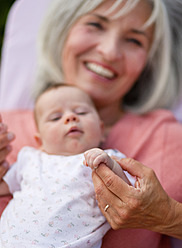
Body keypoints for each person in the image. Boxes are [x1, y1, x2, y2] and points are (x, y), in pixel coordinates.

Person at [0, 0, 182, 247]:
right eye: (96, 24)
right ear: (63, 29)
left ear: (149, 62)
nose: (109, 52)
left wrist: (169, 217)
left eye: (134, 40)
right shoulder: (6, 129)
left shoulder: (169, 139)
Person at [0, 84, 134, 248]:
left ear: (101, 130)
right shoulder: (29, 158)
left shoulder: (106, 159)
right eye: (56, 118)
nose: (70, 117)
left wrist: (111, 166)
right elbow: (2, 187)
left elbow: (128, 195)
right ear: (40, 141)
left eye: (81, 112)